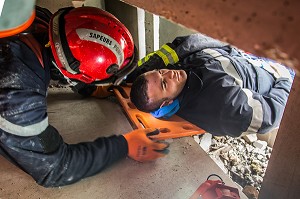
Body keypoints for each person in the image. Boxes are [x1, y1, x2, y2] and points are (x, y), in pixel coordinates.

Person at [0, 6, 169, 187]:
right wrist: (125, 145)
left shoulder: (38, 19)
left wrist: (88, 89)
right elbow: (55, 168)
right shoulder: (18, 94)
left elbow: (62, 54)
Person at [129, 33, 294, 137]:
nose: (169, 73)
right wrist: (286, 80)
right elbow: (269, 117)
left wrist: (131, 74)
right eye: (164, 84)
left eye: (160, 71)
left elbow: (183, 45)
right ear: (167, 102)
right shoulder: (221, 106)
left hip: (249, 54)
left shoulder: (180, 69)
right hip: (276, 73)